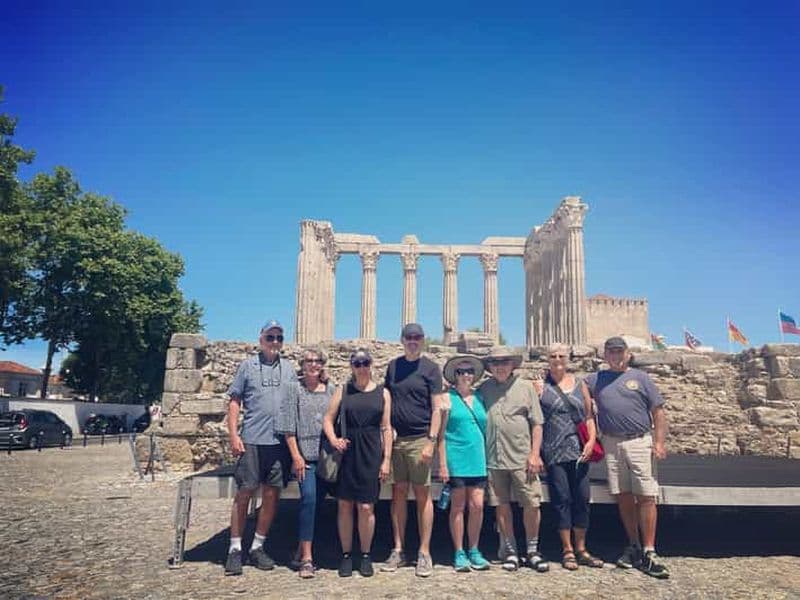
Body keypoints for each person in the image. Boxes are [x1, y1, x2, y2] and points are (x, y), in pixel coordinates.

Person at [585, 336, 669, 579]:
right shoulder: (596, 379)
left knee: (646, 495)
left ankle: (650, 550)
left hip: (639, 440)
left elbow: (658, 411)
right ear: (605, 355)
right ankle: (633, 544)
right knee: (622, 495)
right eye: (611, 352)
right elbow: (578, 390)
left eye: (619, 352)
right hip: (611, 443)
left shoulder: (641, 378)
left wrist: (659, 442)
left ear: (627, 354)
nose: (616, 356)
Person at [224, 320, 298, 576]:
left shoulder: (289, 368)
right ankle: (235, 548)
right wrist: (234, 435)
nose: (275, 342)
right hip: (252, 440)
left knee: (271, 495)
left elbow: (295, 401)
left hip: (279, 443)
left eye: (279, 337)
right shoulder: (247, 366)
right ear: (261, 339)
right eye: (270, 337)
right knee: (244, 492)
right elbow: (234, 401)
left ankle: (257, 546)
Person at [382, 323, 445, 577]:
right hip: (397, 440)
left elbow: (437, 408)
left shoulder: (431, 368)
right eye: (409, 337)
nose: (413, 341)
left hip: (420, 439)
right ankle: (398, 550)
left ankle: (424, 552)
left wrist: (431, 441)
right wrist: (387, 431)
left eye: (417, 337)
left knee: (422, 495)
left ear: (423, 340)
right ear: (402, 339)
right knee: (398, 493)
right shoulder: (393, 366)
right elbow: (387, 400)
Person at [323, 348, 392, 578]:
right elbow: (328, 419)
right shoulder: (343, 390)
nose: (362, 367)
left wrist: (386, 460)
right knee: (344, 505)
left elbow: (386, 428)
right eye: (357, 363)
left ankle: (365, 555)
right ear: (352, 366)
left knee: (366, 506)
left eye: (365, 362)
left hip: (371, 452)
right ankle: (345, 555)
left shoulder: (383, 393)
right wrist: (334, 440)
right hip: (348, 452)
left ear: (371, 364)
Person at [532, 343, 603, 571]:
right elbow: (535, 420)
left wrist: (591, 441)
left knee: (582, 498)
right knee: (561, 499)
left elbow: (588, 416)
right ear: (547, 359)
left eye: (561, 355)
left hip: (579, 450)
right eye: (553, 356)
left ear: (568, 358)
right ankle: (567, 549)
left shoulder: (580, 384)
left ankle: (581, 548)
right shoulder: (540, 385)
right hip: (553, 450)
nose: (557, 359)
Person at [478, 346, 548, 573]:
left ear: (512, 365)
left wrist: (534, 454)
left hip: (521, 457)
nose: (500, 367)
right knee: (501, 505)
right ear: (490, 367)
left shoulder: (526, 387)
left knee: (531, 504)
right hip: (494, 458)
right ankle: (510, 551)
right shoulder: (484, 389)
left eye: (504, 362)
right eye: (495, 363)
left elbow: (537, 423)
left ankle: (532, 550)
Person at [276, 347, 334, 578]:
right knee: (308, 500)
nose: (313, 364)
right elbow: (288, 427)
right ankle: (307, 559)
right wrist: (296, 456)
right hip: (305, 457)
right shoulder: (294, 388)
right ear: (302, 364)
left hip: (328, 457)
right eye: (309, 360)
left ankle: (301, 549)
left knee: (322, 503)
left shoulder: (331, 389)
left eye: (318, 360)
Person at [438, 354, 491, 572]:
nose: (466, 375)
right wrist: (443, 464)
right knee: (458, 506)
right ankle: (459, 551)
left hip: (478, 458)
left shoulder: (480, 397)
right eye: (461, 372)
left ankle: (474, 549)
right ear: (455, 375)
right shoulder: (446, 398)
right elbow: (440, 434)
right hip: (456, 458)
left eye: (469, 371)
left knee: (477, 506)